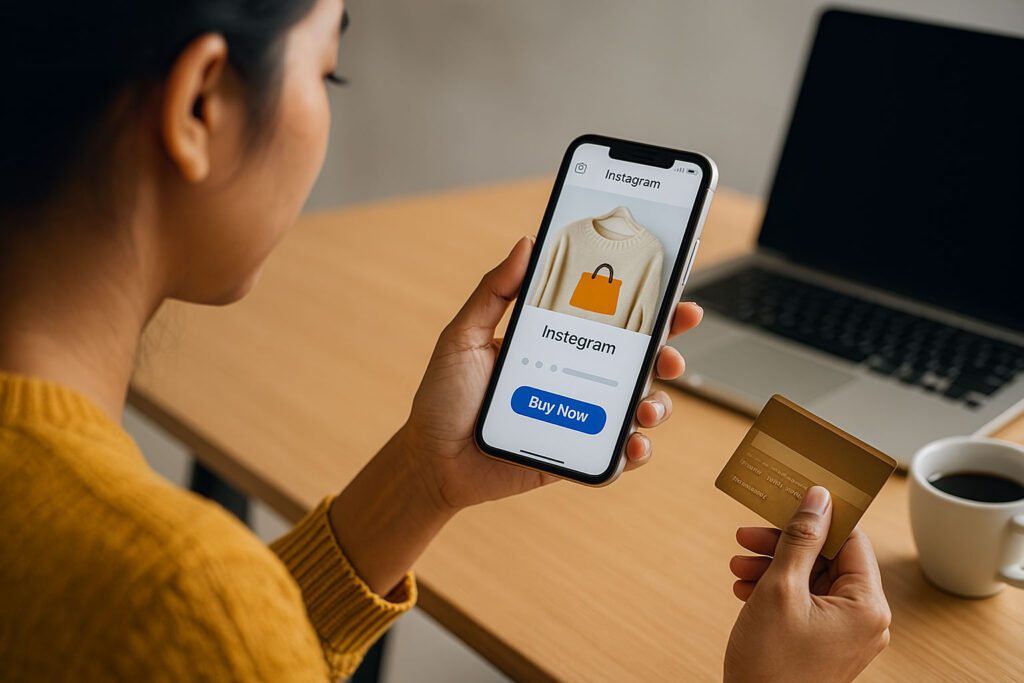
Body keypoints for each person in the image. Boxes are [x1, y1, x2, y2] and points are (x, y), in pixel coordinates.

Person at [0, 0, 890, 680]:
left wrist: (425, 479)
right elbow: (197, 634)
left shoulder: (161, 594)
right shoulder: (178, 597)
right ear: (200, 103)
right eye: (328, 73)